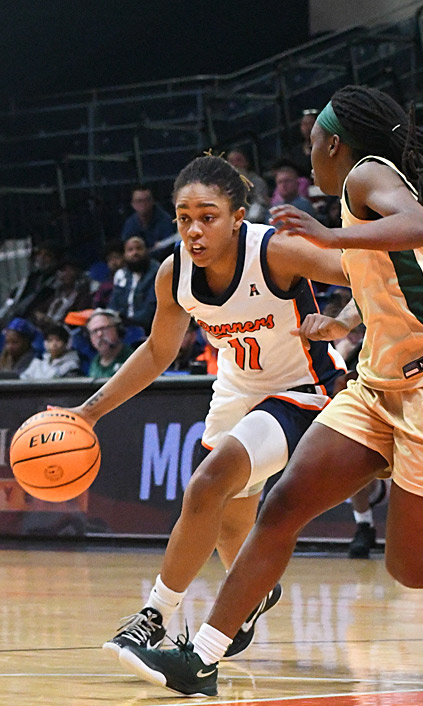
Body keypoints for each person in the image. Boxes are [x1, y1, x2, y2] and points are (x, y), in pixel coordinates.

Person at [114, 85, 423, 697]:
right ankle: (202, 658)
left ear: (334, 145)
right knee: (283, 505)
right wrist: (344, 321)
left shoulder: (367, 174)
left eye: (312, 141)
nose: (307, 152)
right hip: (375, 385)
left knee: (412, 567)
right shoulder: (356, 197)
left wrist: (327, 235)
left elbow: (419, 227)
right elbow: (384, 279)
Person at [64, 154, 347, 670]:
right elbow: (157, 351)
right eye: (183, 217)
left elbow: (374, 274)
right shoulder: (174, 273)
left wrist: (345, 320)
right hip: (237, 387)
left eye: (208, 216)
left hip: (306, 388)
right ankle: (253, 592)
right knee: (229, 521)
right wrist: (89, 412)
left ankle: (154, 616)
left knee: (207, 483)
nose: (194, 230)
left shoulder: (275, 251)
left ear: (237, 217)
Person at [109, 236, 160, 334]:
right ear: (124, 255)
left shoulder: (158, 272)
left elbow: (151, 309)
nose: (135, 253)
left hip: (148, 328)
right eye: (130, 250)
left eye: (139, 248)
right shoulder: (122, 274)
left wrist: (126, 322)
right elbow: (113, 304)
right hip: (123, 327)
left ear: (146, 251)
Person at [121, 185, 176, 256]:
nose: (143, 204)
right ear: (133, 204)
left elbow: (168, 248)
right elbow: (126, 245)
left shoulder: (166, 221)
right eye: (139, 201)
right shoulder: (130, 223)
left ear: (153, 201)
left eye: (147, 200)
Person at [226, 148, 270, 223]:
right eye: (231, 161)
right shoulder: (223, 184)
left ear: (246, 163)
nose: (235, 164)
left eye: (239, 160)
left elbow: (260, 204)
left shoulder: (257, 181)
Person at [86, 309, 134, 378]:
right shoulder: (95, 363)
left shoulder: (133, 358)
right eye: (94, 331)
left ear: (118, 330)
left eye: (104, 328)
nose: (99, 334)